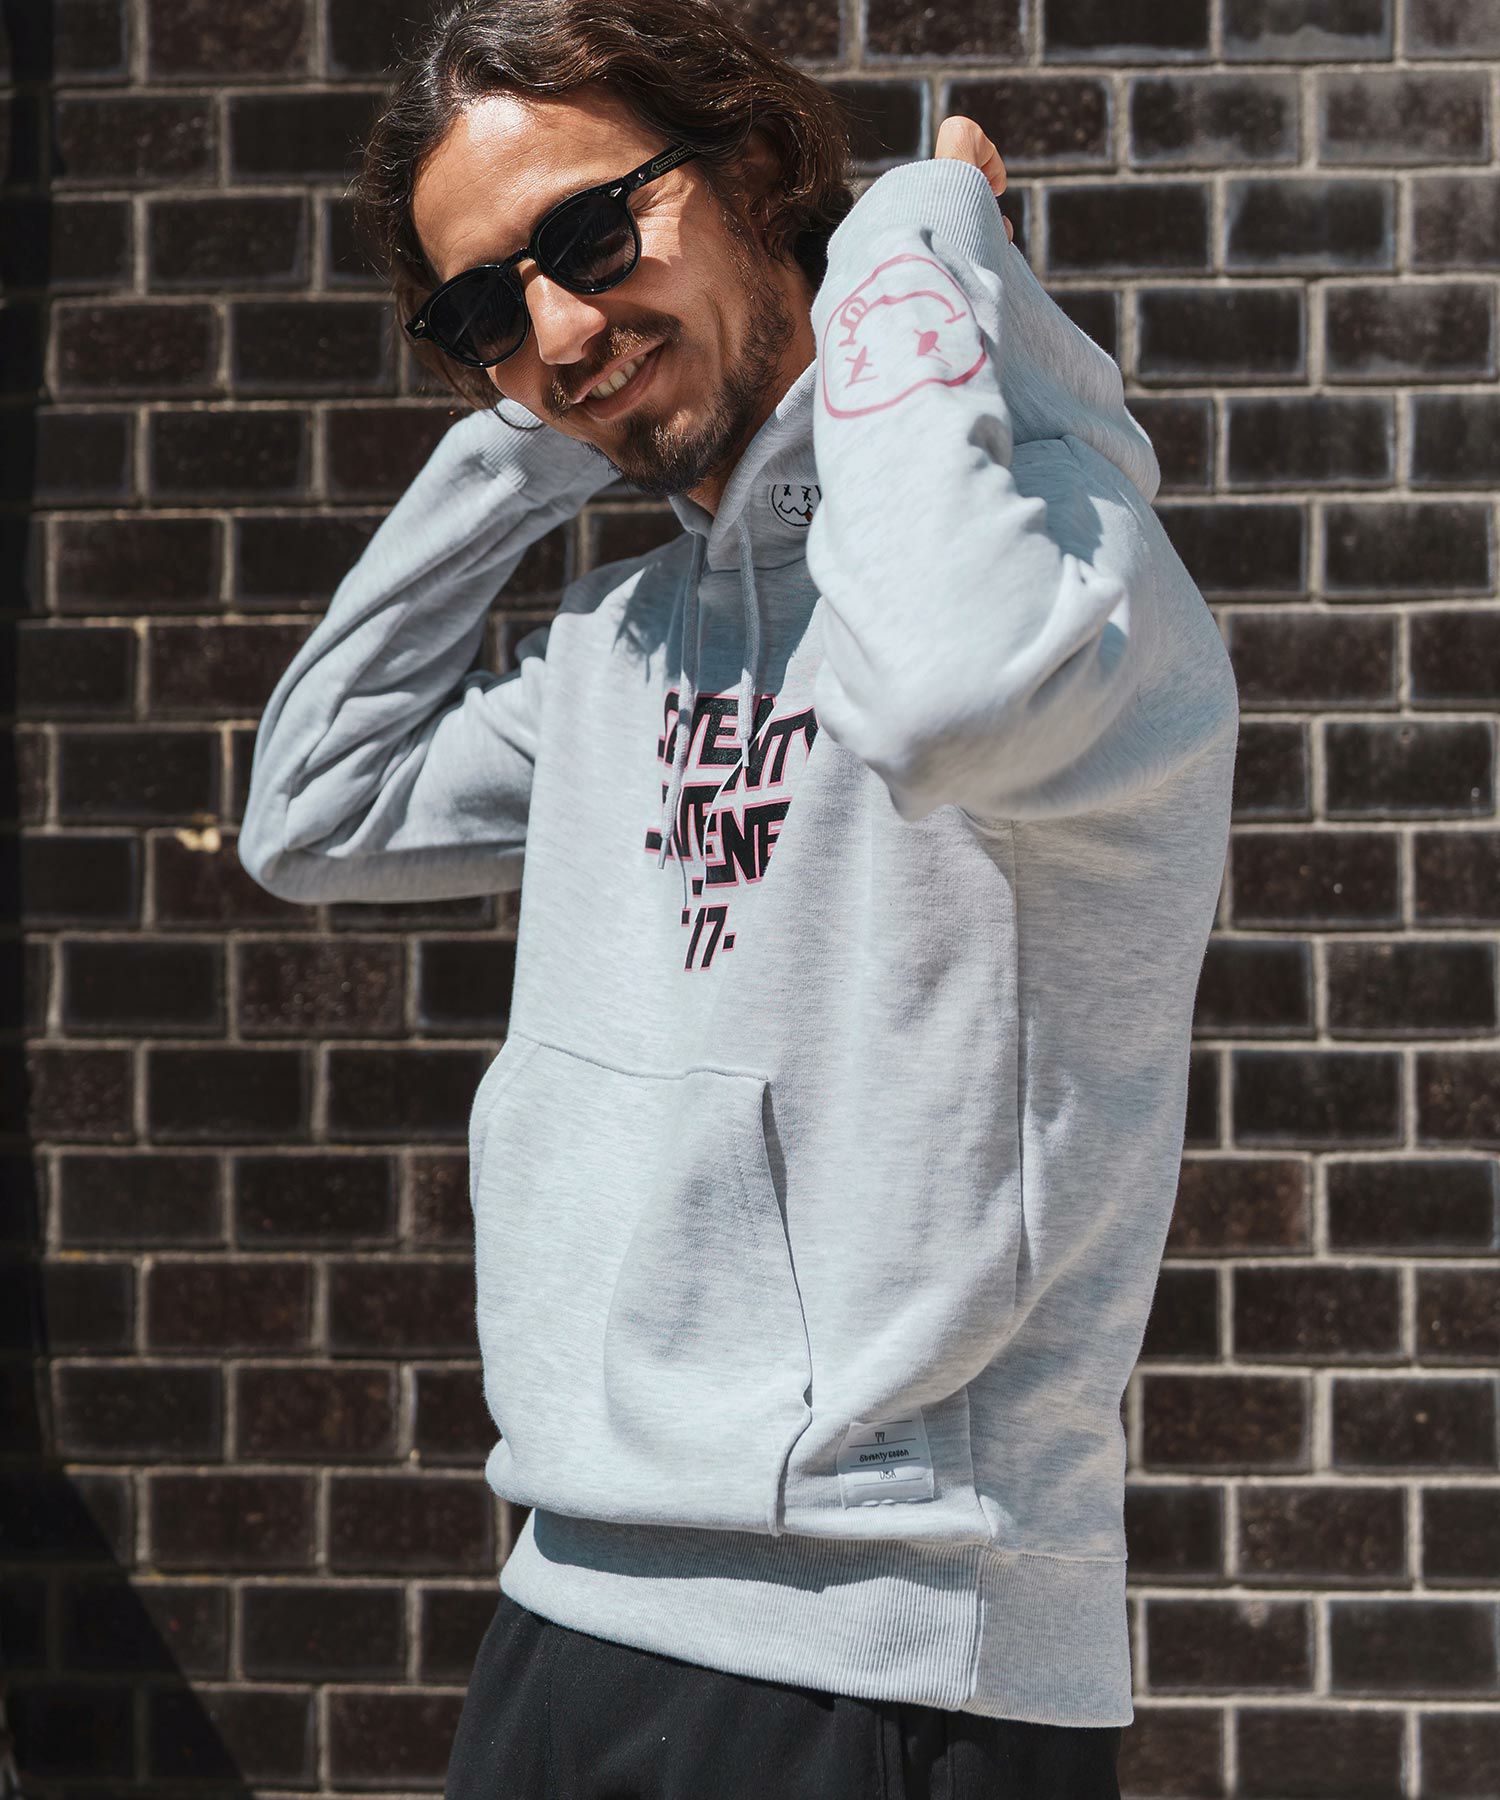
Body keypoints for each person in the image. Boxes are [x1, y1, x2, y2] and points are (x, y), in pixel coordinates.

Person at [237, 0, 1239, 1792]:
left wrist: (911, 248)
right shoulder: (622, 641)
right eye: (482, 314)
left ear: (759, 166)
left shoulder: (1062, 570)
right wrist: (538, 432)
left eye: (587, 235)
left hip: (887, 1632)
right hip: (571, 1592)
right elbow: (312, 809)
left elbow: (942, 693)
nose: (555, 325)